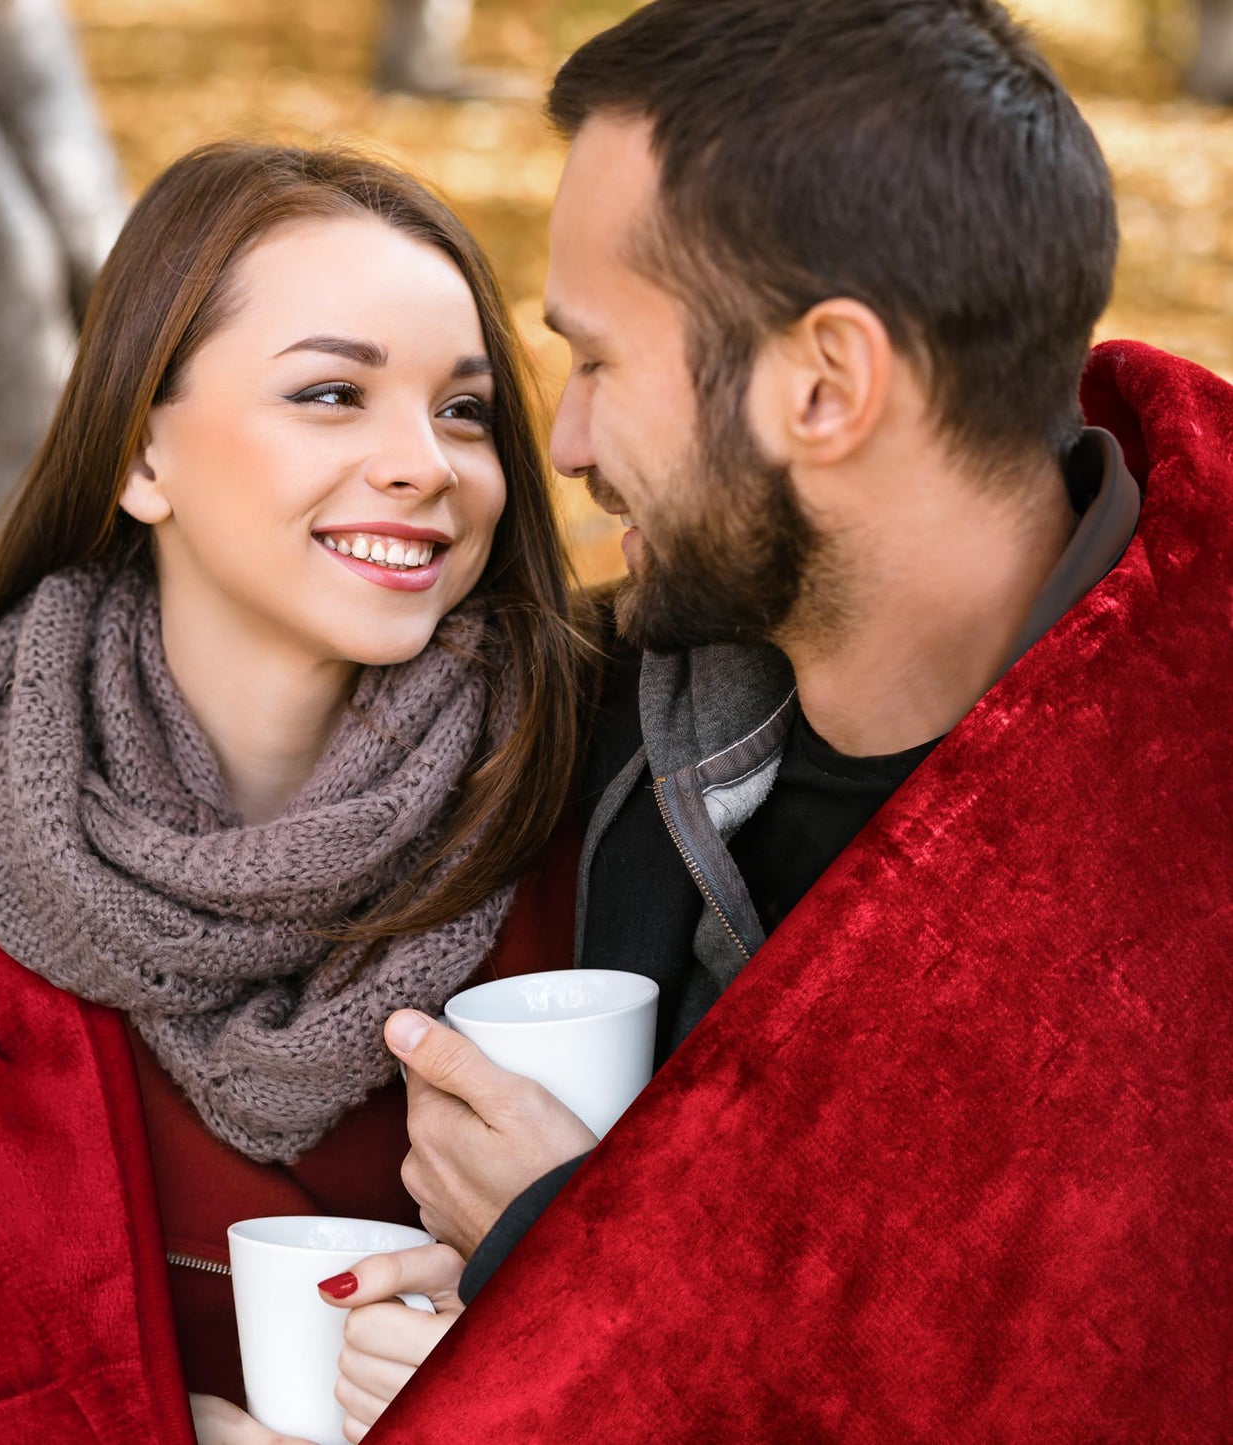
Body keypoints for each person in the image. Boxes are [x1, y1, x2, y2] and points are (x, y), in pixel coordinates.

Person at [359, 0, 1233, 1436]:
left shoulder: (1176, 864)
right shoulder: (613, 722)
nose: (563, 442)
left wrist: (565, 1257)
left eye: (596, 363)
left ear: (823, 385)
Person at [0, 141, 590, 1444]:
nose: (425, 463)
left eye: (463, 410)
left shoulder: (600, 795)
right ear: (140, 458)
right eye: (332, 393)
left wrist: (543, 1323)